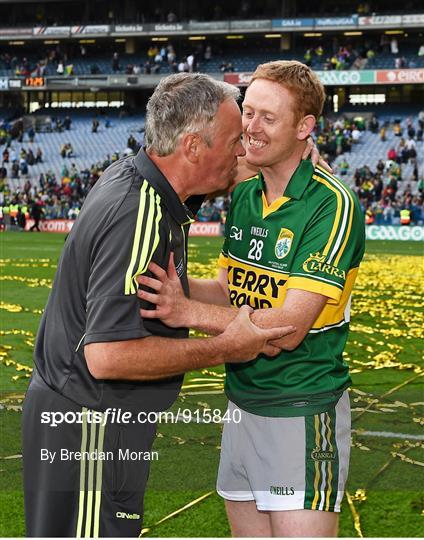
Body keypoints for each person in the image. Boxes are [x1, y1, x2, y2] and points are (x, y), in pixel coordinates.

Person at [22, 72, 294, 538]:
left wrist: (293, 160)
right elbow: (107, 357)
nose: (242, 152)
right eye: (234, 141)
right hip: (91, 427)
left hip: (86, 422)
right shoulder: (138, 214)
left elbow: (238, 168)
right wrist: (225, 347)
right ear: (191, 146)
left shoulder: (143, 181)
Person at [138, 61, 365, 537]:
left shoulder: (332, 204)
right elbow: (228, 290)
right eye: (249, 112)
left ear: (305, 128)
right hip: (241, 405)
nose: (250, 128)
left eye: (268, 117)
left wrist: (185, 310)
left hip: (300, 409)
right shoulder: (245, 194)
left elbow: (287, 327)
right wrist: (178, 289)